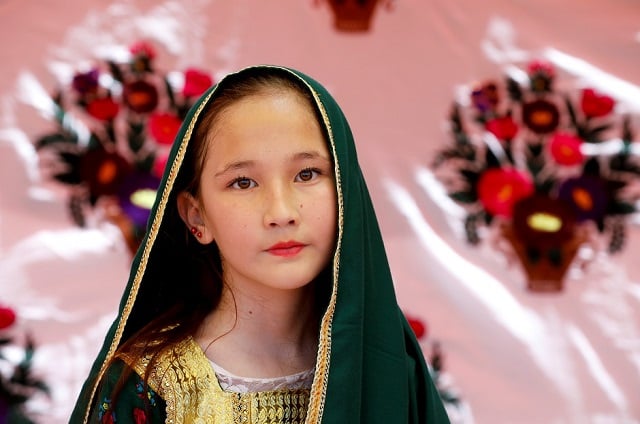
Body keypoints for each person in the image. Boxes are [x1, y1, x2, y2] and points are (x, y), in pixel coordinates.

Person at [70, 65, 450, 423]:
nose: (282, 212)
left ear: (345, 190)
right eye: (243, 182)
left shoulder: (389, 372)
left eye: (307, 173)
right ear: (196, 217)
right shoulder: (146, 385)